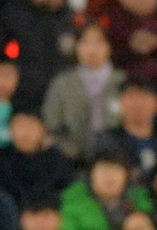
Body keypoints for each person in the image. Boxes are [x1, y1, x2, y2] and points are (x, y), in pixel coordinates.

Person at [41, 22, 126, 165]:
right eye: (85, 42)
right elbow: (51, 124)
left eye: (99, 42)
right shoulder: (63, 83)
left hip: (117, 158)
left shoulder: (122, 82)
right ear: (76, 47)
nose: (92, 50)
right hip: (71, 158)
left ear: (109, 47)